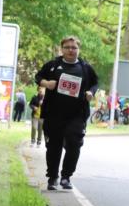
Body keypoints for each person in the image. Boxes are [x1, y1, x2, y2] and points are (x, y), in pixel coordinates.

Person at [35, 36, 99, 191]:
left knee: (74, 144)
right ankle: (52, 177)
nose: (71, 50)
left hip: (77, 114)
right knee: (53, 146)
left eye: (74, 47)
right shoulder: (53, 65)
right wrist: (46, 83)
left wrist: (91, 92)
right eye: (67, 47)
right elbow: (38, 77)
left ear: (79, 49)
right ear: (62, 49)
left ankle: (66, 176)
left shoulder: (85, 68)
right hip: (53, 113)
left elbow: (95, 83)